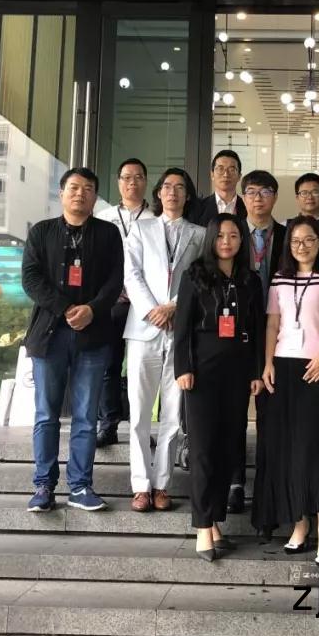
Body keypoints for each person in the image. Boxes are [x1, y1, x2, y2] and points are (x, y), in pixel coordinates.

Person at [21, 167, 124, 513]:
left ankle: (80, 486)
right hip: (49, 335)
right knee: (46, 414)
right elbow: (31, 279)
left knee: (85, 415)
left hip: (93, 336)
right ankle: (43, 486)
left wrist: (92, 310)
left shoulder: (108, 234)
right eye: (74, 187)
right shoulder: (42, 232)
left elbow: (115, 280)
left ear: (95, 197)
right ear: (62, 193)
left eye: (88, 188)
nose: (81, 193)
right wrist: (65, 308)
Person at [252, 216, 319, 568]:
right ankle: (299, 522)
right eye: (295, 241)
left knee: (317, 447)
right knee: (288, 448)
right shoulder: (280, 278)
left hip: (318, 368)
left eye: (308, 240)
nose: (302, 246)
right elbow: (272, 324)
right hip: (283, 368)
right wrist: (267, 362)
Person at [173, 214, 265, 561]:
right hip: (202, 372)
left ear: (242, 240)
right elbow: (182, 328)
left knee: (228, 447)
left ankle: (214, 521)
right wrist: (183, 368)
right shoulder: (194, 275)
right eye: (221, 236)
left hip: (237, 372)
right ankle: (202, 526)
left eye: (234, 236)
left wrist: (256, 371)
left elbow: (257, 330)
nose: (227, 242)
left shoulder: (250, 280)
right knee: (203, 449)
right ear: (211, 239)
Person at [123, 168, 205, 513]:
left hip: (181, 330)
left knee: (172, 412)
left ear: (188, 195)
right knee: (140, 412)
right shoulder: (140, 229)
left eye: (180, 187)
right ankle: (140, 485)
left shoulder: (200, 234)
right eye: (167, 186)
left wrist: (174, 307)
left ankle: (162, 485)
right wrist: (152, 310)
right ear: (158, 193)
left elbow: (201, 278)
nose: (173, 192)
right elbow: (131, 274)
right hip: (144, 329)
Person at [226, 169, 287, 515]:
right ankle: (235, 481)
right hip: (236, 332)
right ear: (242, 197)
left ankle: (268, 483)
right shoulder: (230, 233)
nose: (258, 198)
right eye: (251, 192)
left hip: (280, 333)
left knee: (271, 411)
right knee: (235, 410)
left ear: (275, 196)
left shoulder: (289, 235)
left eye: (265, 192)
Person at [94, 157, 155, 447]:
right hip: (112, 303)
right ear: (119, 182)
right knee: (109, 364)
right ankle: (108, 424)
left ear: (146, 182)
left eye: (138, 177)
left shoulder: (155, 219)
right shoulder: (103, 217)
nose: (132, 182)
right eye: (127, 177)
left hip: (144, 305)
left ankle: (139, 426)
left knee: (140, 368)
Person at [192, 150, 247, 226]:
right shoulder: (198, 209)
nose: (226, 174)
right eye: (220, 169)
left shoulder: (247, 207)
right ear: (212, 175)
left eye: (232, 170)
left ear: (239, 176)